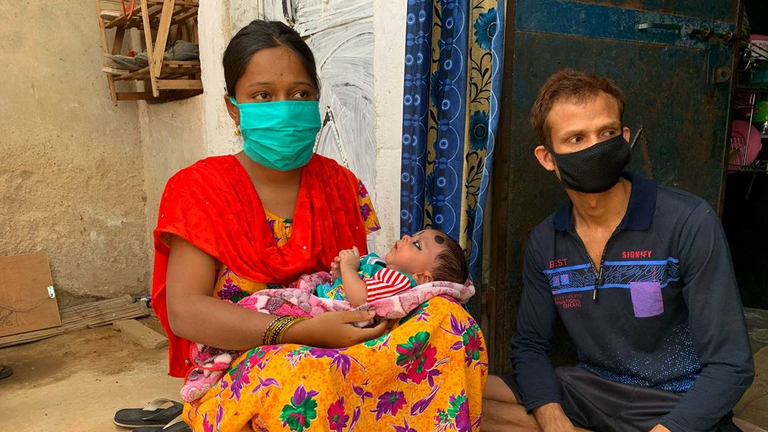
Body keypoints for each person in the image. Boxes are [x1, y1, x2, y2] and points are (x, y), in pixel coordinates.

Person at [151, 20, 487, 432]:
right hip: (254, 357)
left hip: (339, 339)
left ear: (316, 101)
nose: (285, 106)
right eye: (263, 95)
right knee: (302, 382)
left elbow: (357, 287)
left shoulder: (340, 187)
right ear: (232, 107)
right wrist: (301, 330)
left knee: (449, 320)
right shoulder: (199, 189)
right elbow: (186, 312)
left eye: (300, 94)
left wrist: (355, 325)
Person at [482, 69, 754, 432]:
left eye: (607, 133)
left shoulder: (688, 221)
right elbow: (530, 346)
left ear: (624, 138)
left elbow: (731, 364)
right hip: (593, 389)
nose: (595, 148)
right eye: (576, 138)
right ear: (548, 158)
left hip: (675, 400)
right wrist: (553, 419)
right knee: (463, 397)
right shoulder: (546, 241)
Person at [319, 229, 467, 306]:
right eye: (414, 235)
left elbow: (360, 299)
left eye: (416, 244)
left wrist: (348, 268)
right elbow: (344, 289)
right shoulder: (380, 266)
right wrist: (339, 275)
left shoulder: (398, 281)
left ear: (422, 277)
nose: (406, 237)